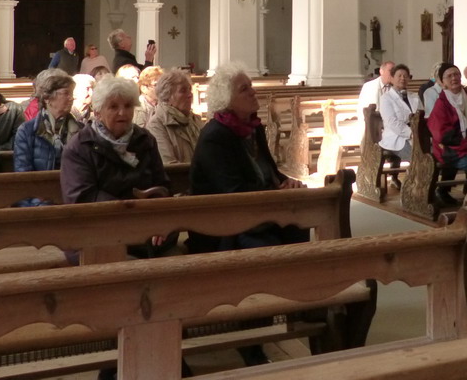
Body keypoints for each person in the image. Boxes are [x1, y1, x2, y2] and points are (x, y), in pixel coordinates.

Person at [189, 65, 306, 366]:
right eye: (245, 89)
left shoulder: (253, 129)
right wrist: (275, 193)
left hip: (257, 216)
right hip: (222, 227)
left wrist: (286, 182)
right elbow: (232, 193)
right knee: (265, 255)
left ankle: (306, 314)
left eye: (250, 86)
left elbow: (270, 172)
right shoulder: (215, 137)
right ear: (226, 100)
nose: (253, 92)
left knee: (301, 234)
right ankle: (251, 341)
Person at [59, 76, 170, 203]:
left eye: (128, 106)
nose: (122, 113)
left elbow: (161, 184)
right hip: (103, 214)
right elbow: (82, 197)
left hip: (146, 212)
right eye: (113, 107)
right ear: (98, 113)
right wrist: (126, 207)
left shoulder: (145, 139)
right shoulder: (80, 147)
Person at [426, 64, 467, 205]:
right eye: (449, 76)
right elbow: (442, 135)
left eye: (456, 74)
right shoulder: (441, 104)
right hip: (450, 150)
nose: (454, 78)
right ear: (443, 83)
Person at [14, 70, 80, 172]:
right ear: (47, 98)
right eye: (66, 93)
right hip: (38, 182)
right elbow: (23, 171)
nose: (71, 98)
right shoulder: (27, 130)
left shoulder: (81, 131)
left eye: (71, 94)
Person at [146, 68, 201, 165]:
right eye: (183, 91)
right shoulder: (156, 125)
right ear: (167, 97)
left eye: (190, 89)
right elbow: (169, 165)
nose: (190, 95)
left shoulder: (195, 120)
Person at [377, 63, 418, 176]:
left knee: (431, 156)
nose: (402, 78)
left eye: (405, 76)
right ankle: (413, 183)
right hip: (396, 137)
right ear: (392, 78)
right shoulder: (386, 98)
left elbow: (421, 115)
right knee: (417, 158)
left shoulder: (414, 96)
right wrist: (411, 133)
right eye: (399, 75)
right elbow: (392, 122)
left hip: (418, 135)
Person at [357, 61, 394, 125]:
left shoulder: (396, 87)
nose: (393, 74)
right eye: (390, 71)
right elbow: (362, 110)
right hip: (373, 124)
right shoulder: (369, 86)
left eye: (395, 71)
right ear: (381, 71)